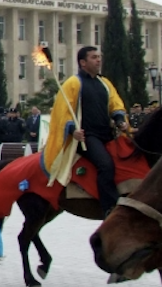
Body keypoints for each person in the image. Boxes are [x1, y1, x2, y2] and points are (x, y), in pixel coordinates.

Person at [42, 46, 127, 217]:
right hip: (87, 137)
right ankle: (109, 208)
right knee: (106, 165)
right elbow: (63, 111)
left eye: (99, 57)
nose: (98, 60)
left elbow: (115, 103)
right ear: (83, 62)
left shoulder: (105, 83)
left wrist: (119, 120)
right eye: (94, 57)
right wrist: (73, 130)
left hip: (107, 134)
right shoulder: (73, 83)